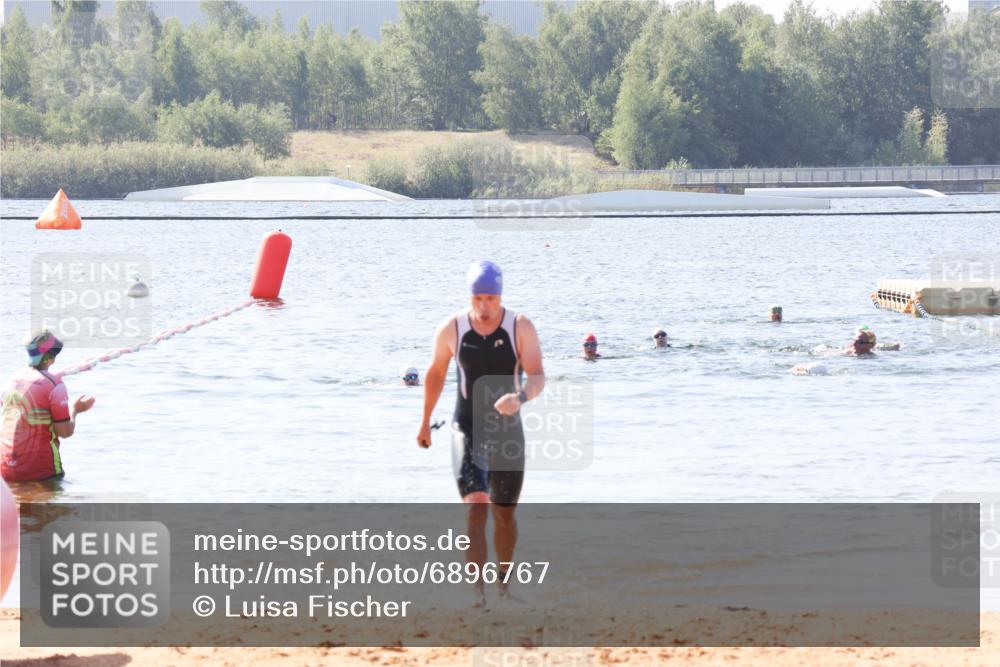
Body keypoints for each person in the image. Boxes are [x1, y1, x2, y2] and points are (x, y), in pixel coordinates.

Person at [417, 261, 545, 607]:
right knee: (476, 506)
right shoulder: (453, 328)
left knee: (503, 514)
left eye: (491, 298)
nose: (485, 305)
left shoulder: (520, 326)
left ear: (500, 296)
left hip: (507, 430)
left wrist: (518, 398)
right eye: (479, 298)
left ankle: (503, 585)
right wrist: (425, 421)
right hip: (467, 427)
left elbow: (537, 377)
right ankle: (477, 594)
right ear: (470, 296)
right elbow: (435, 374)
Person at [1, 331, 95, 483]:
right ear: (51, 358)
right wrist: (76, 410)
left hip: (6, 470)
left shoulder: (11, 380)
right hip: (41, 471)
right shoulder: (54, 385)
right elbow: (65, 432)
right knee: (54, 504)